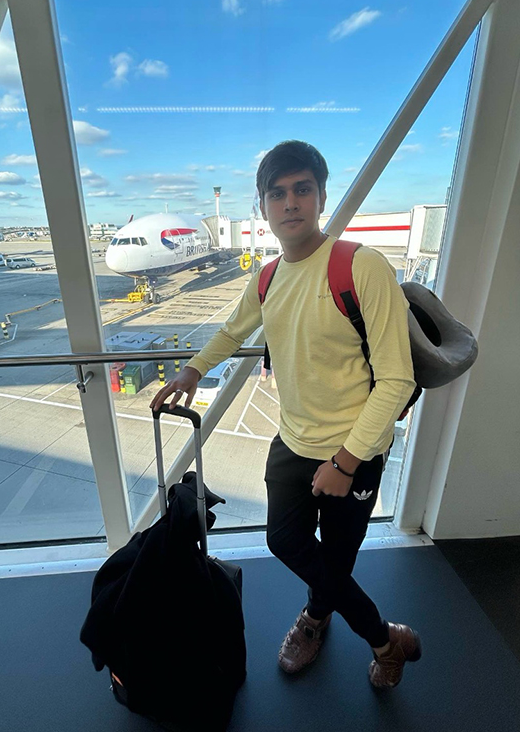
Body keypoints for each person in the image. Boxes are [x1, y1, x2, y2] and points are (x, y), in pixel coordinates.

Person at [150, 140, 422, 689]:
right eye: (277, 193)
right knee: (285, 541)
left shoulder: (360, 266)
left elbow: (398, 379)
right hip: (293, 441)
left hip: (356, 452)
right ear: (263, 206)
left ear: (321, 197)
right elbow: (234, 329)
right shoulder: (268, 276)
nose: (290, 203)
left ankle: (316, 620)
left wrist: (345, 463)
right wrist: (193, 371)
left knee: (336, 562)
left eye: (302, 190)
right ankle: (383, 637)